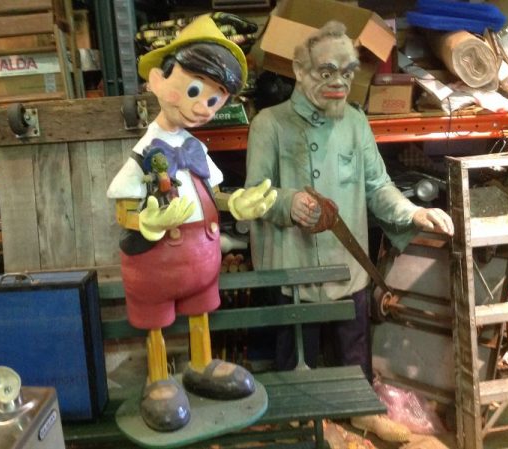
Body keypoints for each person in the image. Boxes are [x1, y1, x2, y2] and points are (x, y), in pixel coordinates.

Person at [245, 20, 454, 442]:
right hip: (292, 265)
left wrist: (412, 212)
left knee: (354, 344)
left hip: (347, 262)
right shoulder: (270, 124)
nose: (339, 82)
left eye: (346, 71)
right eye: (326, 72)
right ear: (300, 71)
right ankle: (299, 420)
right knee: (295, 349)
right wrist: (287, 202)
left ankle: (362, 411)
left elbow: (378, 186)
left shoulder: (356, 122)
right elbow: (253, 195)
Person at [106, 15, 276, 432]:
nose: (203, 107)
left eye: (215, 99)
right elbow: (123, 208)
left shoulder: (196, 148)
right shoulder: (144, 154)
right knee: (156, 322)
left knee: (200, 312)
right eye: (195, 90)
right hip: (156, 264)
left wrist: (235, 203)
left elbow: (212, 194)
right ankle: (158, 378)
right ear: (157, 81)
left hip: (200, 262)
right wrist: (147, 220)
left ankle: (201, 364)